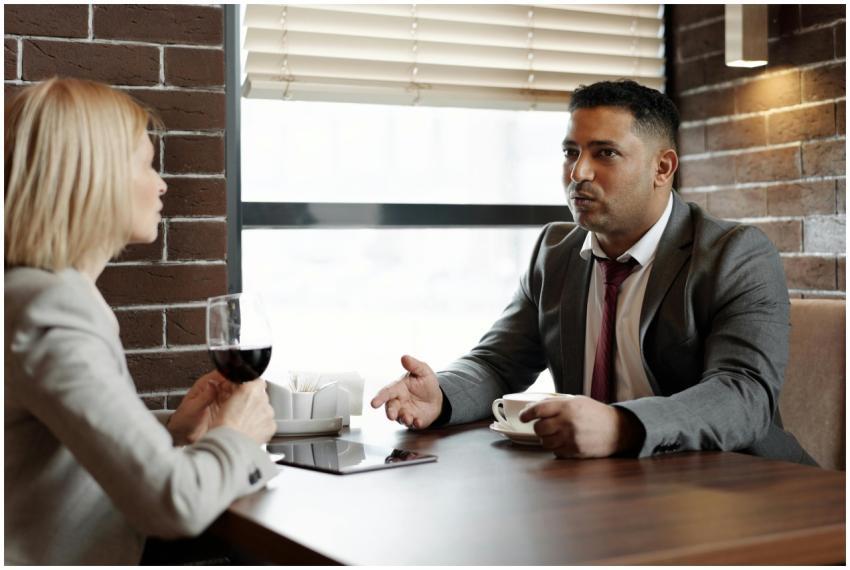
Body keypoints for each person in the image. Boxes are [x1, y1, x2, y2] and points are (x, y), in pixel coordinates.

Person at [371, 79, 815, 466]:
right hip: (609, 485)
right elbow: (498, 363)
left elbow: (744, 395)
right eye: (571, 152)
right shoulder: (555, 252)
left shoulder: (735, 255)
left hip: (740, 486)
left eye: (605, 153)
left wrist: (622, 426)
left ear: (662, 168)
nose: (578, 172)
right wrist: (442, 395)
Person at [4, 77, 279, 565]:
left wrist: (168, 433)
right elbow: (174, 504)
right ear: (97, 177)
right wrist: (237, 435)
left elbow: (50, 444)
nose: (162, 183)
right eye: (148, 164)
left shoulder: (31, 296)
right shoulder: (52, 309)